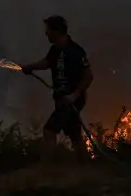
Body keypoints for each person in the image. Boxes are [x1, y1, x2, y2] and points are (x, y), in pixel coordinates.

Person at [20, 15, 94, 160]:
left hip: (72, 101)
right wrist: (30, 67)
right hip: (62, 99)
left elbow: (88, 76)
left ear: (57, 31)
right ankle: (86, 165)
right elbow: (47, 62)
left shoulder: (76, 51)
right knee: (75, 135)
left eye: (48, 30)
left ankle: (46, 168)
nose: (46, 33)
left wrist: (73, 96)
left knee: (49, 130)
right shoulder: (55, 50)